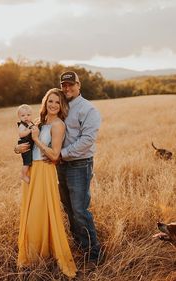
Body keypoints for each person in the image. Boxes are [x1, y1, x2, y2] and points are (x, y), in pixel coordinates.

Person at [17, 88, 77, 278]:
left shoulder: (58, 125)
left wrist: (37, 140)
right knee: (31, 211)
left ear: (61, 106)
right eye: (50, 101)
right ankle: (34, 254)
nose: (53, 105)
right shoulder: (38, 121)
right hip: (33, 171)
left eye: (57, 102)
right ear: (45, 102)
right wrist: (16, 147)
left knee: (42, 210)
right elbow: (24, 142)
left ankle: (46, 252)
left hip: (45, 171)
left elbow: (55, 155)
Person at [57, 71, 103, 266]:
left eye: (71, 85)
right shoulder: (60, 106)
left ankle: (94, 254)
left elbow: (87, 140)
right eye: (64, 85)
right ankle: (80, 246)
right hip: (60, 165)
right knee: (68, 208)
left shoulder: (88, 109)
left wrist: (63, 154)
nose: (67, 88)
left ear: (79, 85)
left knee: (79, 210)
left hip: (79, 164)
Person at [17, 104, 34, 183]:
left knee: (30, 160)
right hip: (25, 144)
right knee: (27, 161)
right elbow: (21, 134)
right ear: (19, 117)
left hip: (29, 144)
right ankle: (23, 175)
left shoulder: (30, 123)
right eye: (23, 115)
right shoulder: (22, 125)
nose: (26, 117)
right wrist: (29, 131)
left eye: (28, 115)